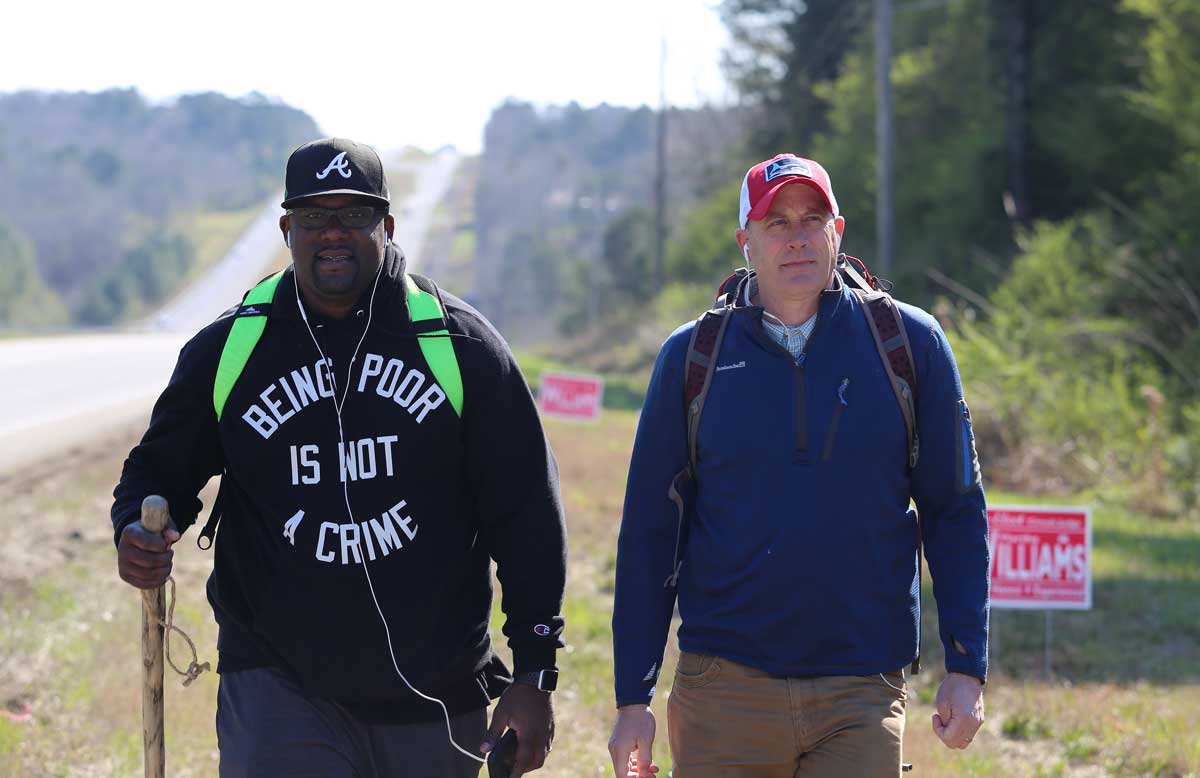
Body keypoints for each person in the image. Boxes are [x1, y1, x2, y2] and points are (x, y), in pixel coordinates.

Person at [112, 137, 566, 778]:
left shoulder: (458, 347)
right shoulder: (232, 349)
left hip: (436, 692)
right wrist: (136, 528)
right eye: (312, 216)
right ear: (286, 230)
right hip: (279, 685)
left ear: (387, 225)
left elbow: (527, 516)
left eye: (353, 214)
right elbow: (158, 472)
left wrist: (534, 674)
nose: (332, 232)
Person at [608, 154, 989, 777]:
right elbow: (650, 534)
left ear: (837, 231)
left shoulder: (909, 345)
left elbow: (955, 510)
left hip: (861, 688)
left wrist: (967, 664)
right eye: (776, 222)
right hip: (723, 689)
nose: (797, 238)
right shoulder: (692, 357)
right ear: (746, 241)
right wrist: (633, 699)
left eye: (812, 219)